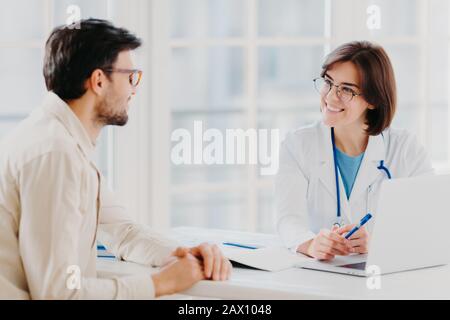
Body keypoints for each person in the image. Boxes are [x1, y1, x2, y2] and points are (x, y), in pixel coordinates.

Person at [0, 18, 231, 299]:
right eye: (130, 77)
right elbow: (58, 293)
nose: (134, 89)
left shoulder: (65, 139)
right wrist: (162, 284)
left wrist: (182, 255)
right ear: (99, 80)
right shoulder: (55, 153)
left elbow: (121, 231)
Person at [275, 41, 434, 261]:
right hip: (320, 277)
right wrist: (310, 243)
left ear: (373, 100)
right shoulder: (298, 145)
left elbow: (430, 224)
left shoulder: (406, 149)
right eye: (328, 83)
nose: (330, 97)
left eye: (347, 90)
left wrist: (379, 241)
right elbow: (288, 219)